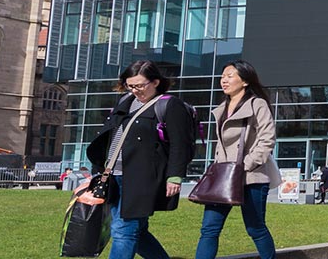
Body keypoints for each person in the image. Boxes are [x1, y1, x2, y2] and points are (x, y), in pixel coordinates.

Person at [85, 60, 196, 259]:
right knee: (137, 231)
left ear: (155, 82)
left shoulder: (169, 105)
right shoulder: (125, 102)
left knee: (123, 231)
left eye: (140, 85)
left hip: (141, 178)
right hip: (113, 175)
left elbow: (181, 144)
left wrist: (175, 176)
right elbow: (109, 136)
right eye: (130, 85)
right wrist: (97, 169)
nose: (136, 90)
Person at [196, 60, 282, 259]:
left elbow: (267, 138)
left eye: (230, 76)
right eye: (223, 76)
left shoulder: (256, 104)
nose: (224, 80)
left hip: (250, 176)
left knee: (255, 228)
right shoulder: (221, 107)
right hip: (223, 176)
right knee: (209, 229)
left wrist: (247, 164)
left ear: (244, 81)